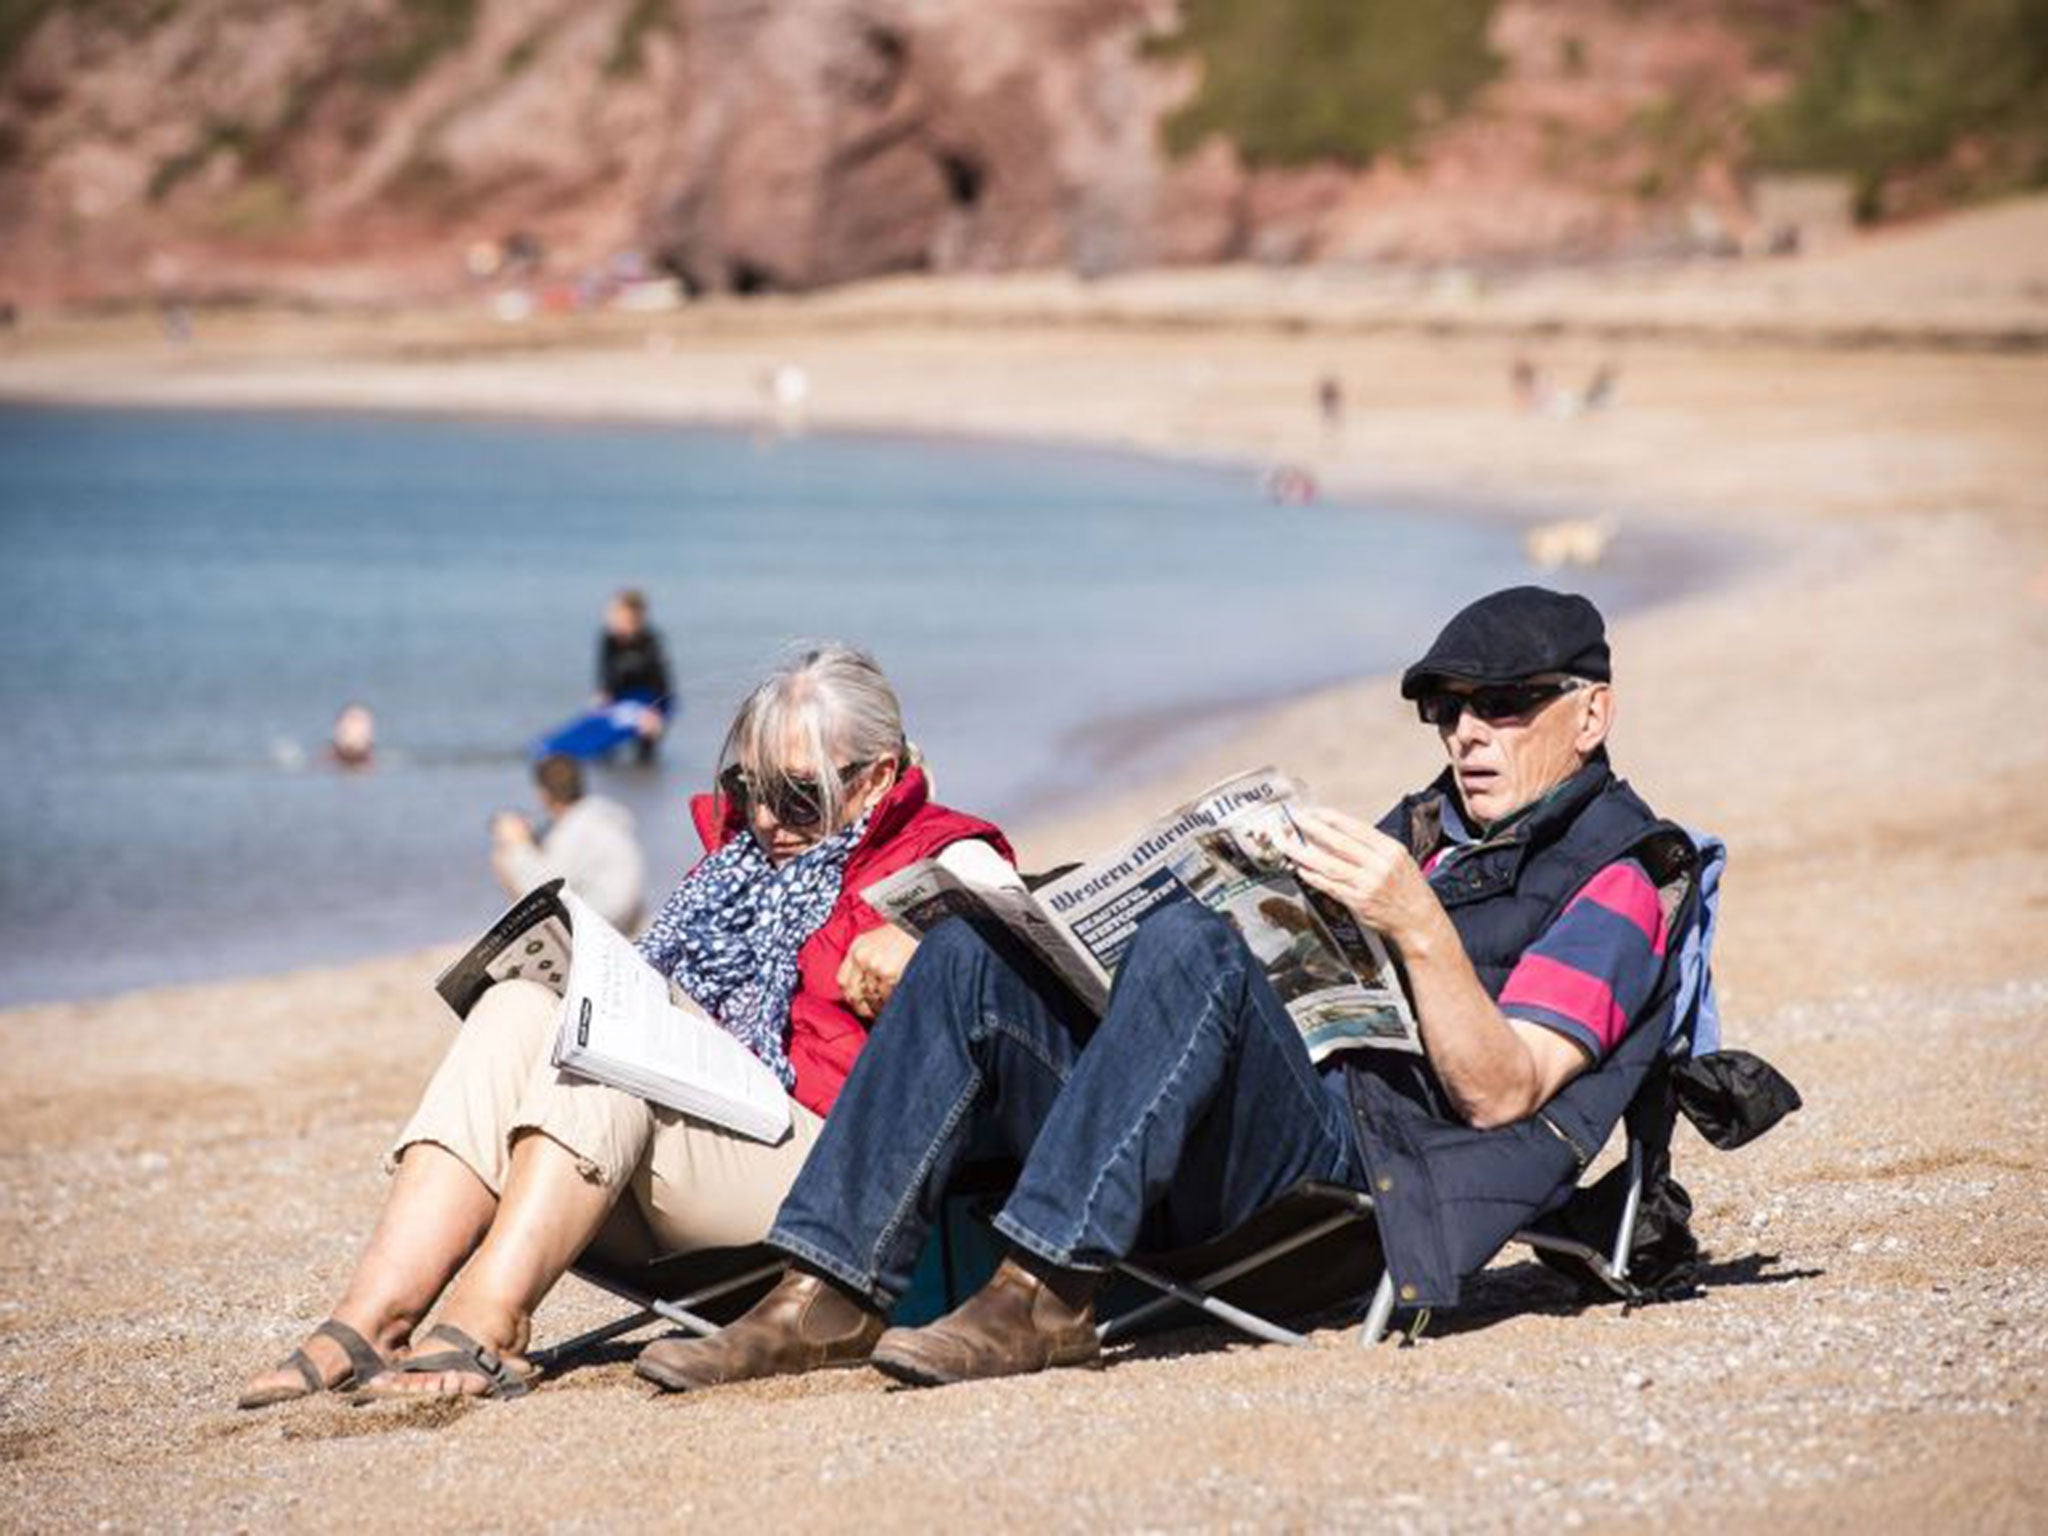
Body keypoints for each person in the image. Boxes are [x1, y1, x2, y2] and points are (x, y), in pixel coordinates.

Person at [636, 586, 1693, 1391]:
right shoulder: (1425, 830)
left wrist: (1412, 918)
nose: (1467, 733)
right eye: (1448, 709)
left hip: (1363, 1176)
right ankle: (821, 1294)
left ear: (1588, 715)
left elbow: (1503, 1093)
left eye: (1503, 707)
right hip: (1214, 1123)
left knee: (1194, 945)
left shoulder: (1618, 882)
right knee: (966, 954)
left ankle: (1041, 1292)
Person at [237, 645, 1009, 1405]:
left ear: (874, 779)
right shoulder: (736, 866)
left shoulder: (948, 862)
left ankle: (489, 1318)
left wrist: (933, 943)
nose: (767, 819)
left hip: (830, 1178)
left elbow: (1030, 999)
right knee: (520, 1004)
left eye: (798, 795)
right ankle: (374, 1315)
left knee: (618, 1039)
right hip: (679, 1145)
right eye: (747, 789)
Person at [490, 753, 647, 934]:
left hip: (603, 923)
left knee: (505, 857)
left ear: (542, 794)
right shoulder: (604, 816)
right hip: (625, 917)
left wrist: (518, 846)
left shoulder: (572, 831)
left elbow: (540, 892)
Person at [533, 589, 673, 764]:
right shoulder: (608, 639)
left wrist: (655, 712)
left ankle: (645, 770)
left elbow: (662, 683)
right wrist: (603, 695)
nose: (610, 617)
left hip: (650, 701)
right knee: (599, 739)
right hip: (621, 699)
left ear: (632, 616)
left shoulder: (650, 641)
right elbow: (605, 673)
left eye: (616, 612)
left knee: (645, 755)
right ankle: (553, 750)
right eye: (611, 612)